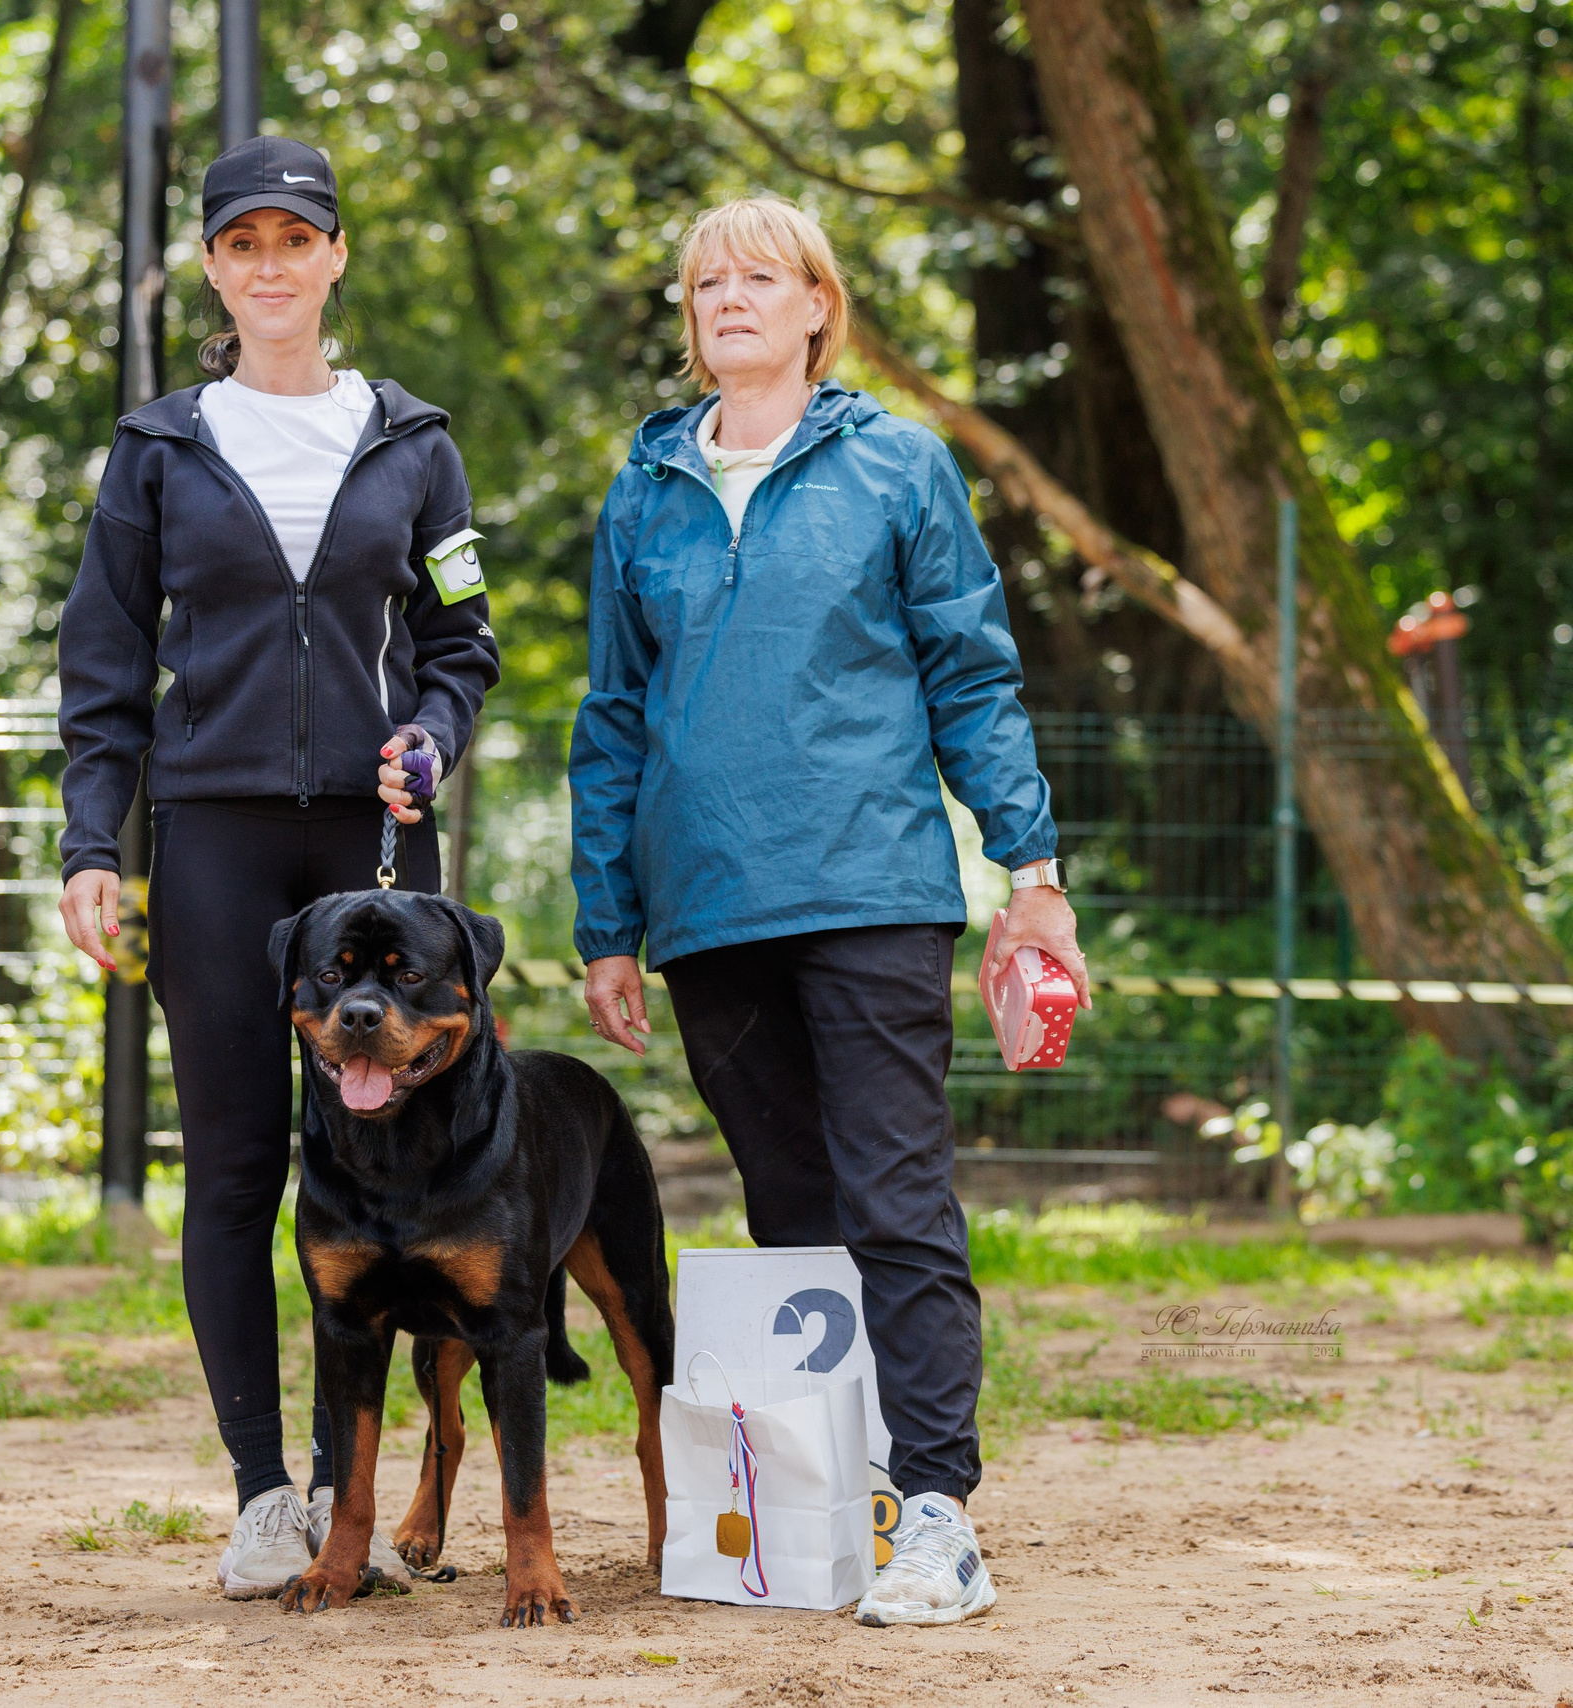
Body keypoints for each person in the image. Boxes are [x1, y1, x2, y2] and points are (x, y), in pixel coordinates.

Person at [569, 195, 1086, 1629]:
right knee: (791, 1210)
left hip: (870, 889)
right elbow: (612, 718)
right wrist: (606, 921)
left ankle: (937, 1513)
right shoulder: (645, 489)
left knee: (896, 1197)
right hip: (706, 910)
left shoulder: (899, 469)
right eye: (704, 283)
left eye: (759, 276)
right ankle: (835, 1494)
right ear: (691, 322)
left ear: (815, 306)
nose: (727, 297)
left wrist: (1029, 874)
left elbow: (972, 678)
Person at [55, 135, 501, 1599]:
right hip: (217, 842)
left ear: (335, 255)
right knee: (243, 1161)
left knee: (396, 1168)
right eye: (240, 245)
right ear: (210, 267)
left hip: (378, 846)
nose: (269, 267)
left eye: (293, 240)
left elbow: (461, 641)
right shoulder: (159, 449)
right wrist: (90, 844)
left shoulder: (416, 443)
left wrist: (430, 735)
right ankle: (265, 1493)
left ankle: (351, 1486)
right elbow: (104, 667)